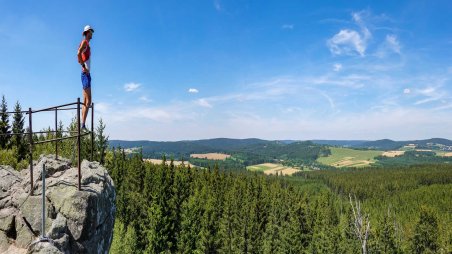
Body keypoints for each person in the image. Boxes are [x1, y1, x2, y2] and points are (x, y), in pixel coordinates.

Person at [77, 25, 94, 132]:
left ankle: (82, 124)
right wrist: (83, 66)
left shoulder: (86, 44)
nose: (92, 33)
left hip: (86, 74)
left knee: (85, 101)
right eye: (91, 31)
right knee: (88, 101)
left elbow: (80, 56)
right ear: (87, 32)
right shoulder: (85, 42)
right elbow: (78, 53)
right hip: (85, 74)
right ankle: (83, 125)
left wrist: (82, 65)